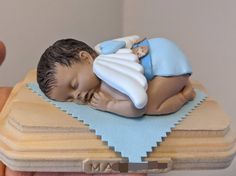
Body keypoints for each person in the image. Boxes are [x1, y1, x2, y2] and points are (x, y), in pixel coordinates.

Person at [37, 36, 196, 118]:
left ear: (86, 58)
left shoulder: (108, 78)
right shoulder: (102, 50)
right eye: (69, 99)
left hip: (168, 66)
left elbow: (137, 108)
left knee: (151, 106)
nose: (77, 96)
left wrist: (109, 105)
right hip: (161, 49)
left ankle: (184, 94)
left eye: (74, 85)